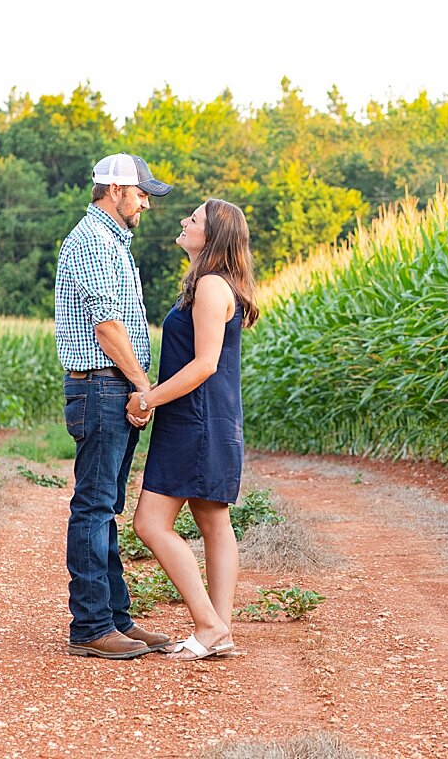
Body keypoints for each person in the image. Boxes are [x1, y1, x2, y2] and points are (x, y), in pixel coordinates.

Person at [128, 198, 260, 661]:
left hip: (195, 420)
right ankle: (218, 630)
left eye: (195, 219)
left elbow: (204, 365)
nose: (185, 222)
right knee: (213, 520)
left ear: (214, 236)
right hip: (213, 419)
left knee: (150, 523)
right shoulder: (217, 285)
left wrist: (147, 398)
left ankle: (208, 624)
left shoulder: (209, 286)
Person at [55, 153, 173, 659]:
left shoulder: (113, 244)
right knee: (95, 506)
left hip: (112, 388)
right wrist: (143, 388)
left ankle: (116, 618)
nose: (147, 201)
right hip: (101, 387)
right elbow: (107, 328)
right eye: (142, 191)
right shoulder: (92, 242)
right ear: (117, 188)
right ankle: (91, 626)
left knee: (107, 508)